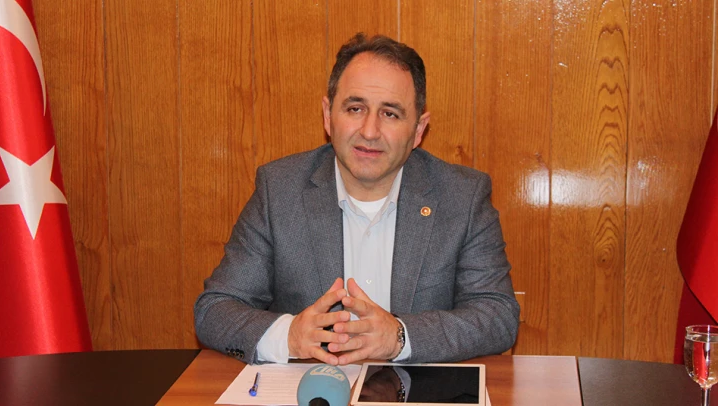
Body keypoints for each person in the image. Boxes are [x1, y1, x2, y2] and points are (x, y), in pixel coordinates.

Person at [194, 33, 519, 366]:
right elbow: (215, 309)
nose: (369, 131)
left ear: (418, 130)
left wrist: (400, 337)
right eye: (355, 108)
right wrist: (289, 336)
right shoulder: (279, 190)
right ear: (328, 115)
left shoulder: (462, 197)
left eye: (390, 114)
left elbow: (497, 315)